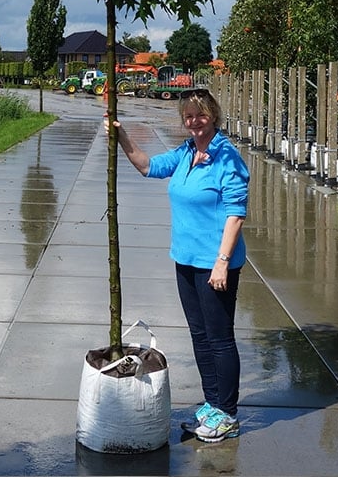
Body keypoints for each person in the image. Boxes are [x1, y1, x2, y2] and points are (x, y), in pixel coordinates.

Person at [111, 88, 249, 443]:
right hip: (185, 260)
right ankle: (213, 403)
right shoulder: (187, 152)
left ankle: (228, 415)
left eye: (200, 115)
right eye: (188, 116)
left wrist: (221, 264)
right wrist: (121, 135)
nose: (194, 122)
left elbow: (236, 213)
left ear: (213, 115)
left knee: (220, 338)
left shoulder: (226, 156)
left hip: (215, 265)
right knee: (200, 336)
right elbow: (148, 167)